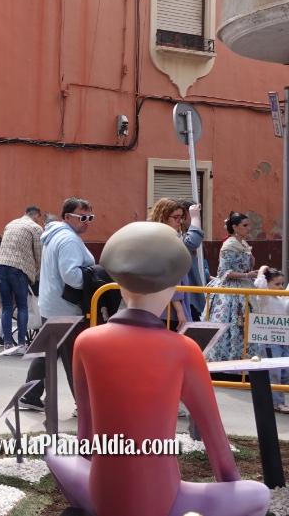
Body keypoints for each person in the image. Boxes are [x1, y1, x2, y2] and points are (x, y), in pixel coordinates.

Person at [46, 221, 270, 516]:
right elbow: (217, 446)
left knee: (54, 451)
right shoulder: (184, 350)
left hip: (102, 494)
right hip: (164, 501)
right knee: (259, 494)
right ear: (174, 286)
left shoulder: (86, 341)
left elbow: (85, 438)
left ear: (119, 284)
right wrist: (231, 491)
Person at [19, 198, 95, 412]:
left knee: (46, 354)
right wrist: (92, 276)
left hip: (52, 305)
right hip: (67, 309)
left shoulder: (56, 235)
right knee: (75, 359)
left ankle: (29, 395)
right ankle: (84, 405)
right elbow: (71, 276)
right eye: (82, 217)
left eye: (90, 218)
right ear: (67, 217)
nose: (87, 222)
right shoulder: (69, 240)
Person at [206, 211, 259, 362]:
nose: (248, 228)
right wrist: (247, 275)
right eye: (245, 225)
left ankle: (245, 360)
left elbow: (246, 264)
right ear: (235, 227)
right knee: (232, 324)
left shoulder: (242, 243)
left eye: (249, 225)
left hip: (245, 287)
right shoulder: (229, 245)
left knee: (245, 326)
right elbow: (224, 272)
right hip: (231, 290)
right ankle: (226, 361)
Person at [149, 198, 205, 327]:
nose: (180, 222)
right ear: (163, 217)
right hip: (167, 307)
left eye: (181, 218)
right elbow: (170, 278)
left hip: (172, 303)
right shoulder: (163, 240)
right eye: (176, 217)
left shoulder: (171, 237)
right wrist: (179, 309)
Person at [0, 206, 43, 348]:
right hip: (19, 269)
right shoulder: (35, 228)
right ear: (36, 216)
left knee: (7, 307)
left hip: (0, 266)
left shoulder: (10, 224)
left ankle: (7, 343)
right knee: (22, 306)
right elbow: (39, 255)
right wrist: (37, 274)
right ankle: (22, 343)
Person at [250, 266, 289, 413]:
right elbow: (259, 284)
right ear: (267, 284)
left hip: (283, 339)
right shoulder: (263, 297)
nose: (280, 287)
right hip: (269, 340)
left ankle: (273, 398)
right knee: (275, 372)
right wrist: (262, 270)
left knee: (284, 372)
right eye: (277, 284)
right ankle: (277, 403)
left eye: (282, 284)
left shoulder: (281, 298)